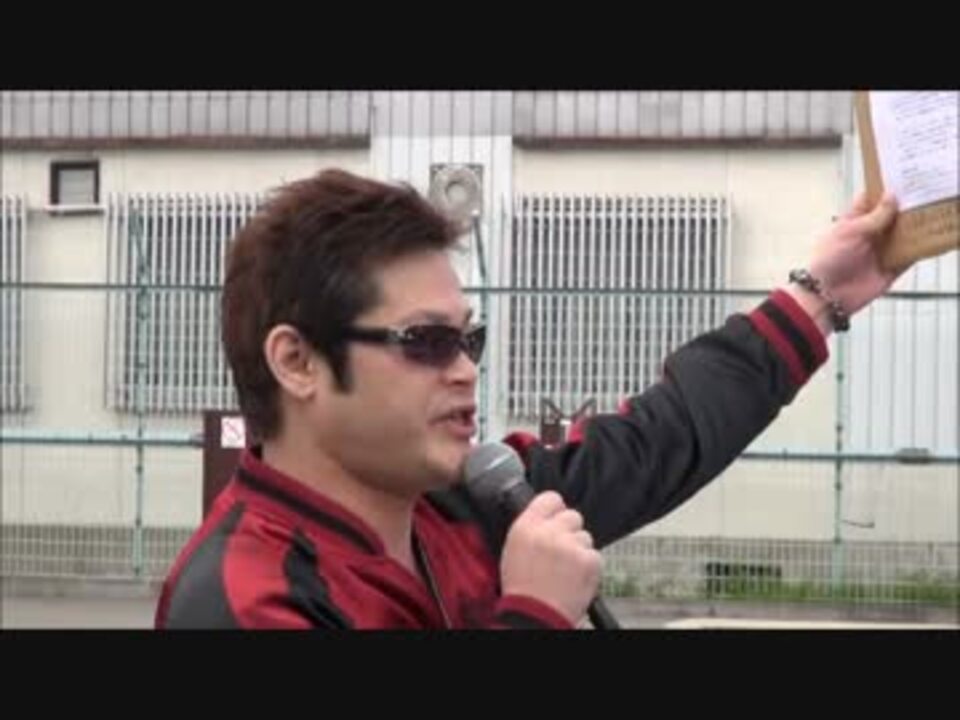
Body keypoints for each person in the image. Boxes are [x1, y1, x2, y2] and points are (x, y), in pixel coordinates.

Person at [154, 169, 900, 629]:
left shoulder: (472, 503)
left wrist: (820, 295)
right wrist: (534, 616)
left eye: (469, 340)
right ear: (297, 362)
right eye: (425, 341)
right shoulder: (245, 599)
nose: (464, 370)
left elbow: (657, 439)